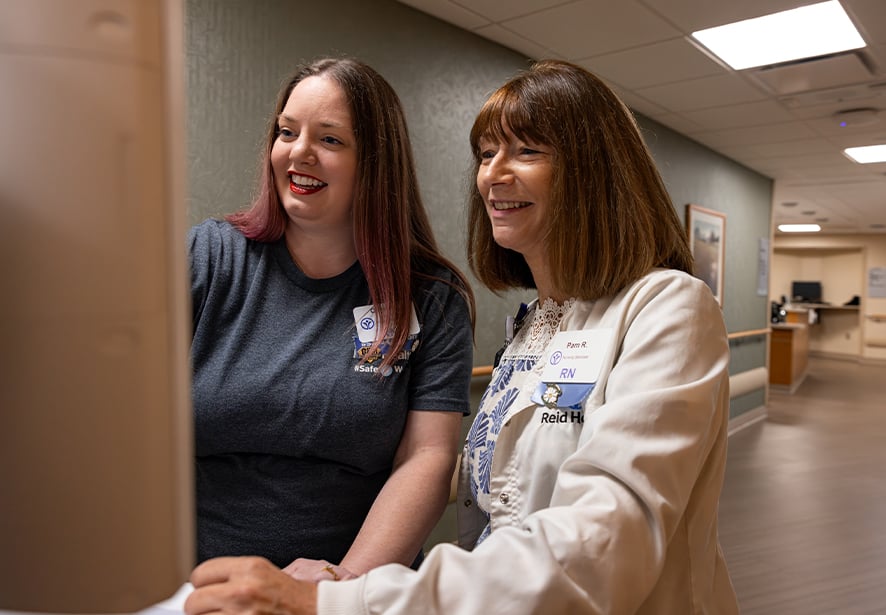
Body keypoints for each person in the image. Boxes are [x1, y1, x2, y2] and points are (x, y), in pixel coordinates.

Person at [185, 59, 739, 614]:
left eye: (526, 150)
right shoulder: (535, 329)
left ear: (593, 171)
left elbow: (606, 541)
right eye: (486, 153)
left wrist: (344, 595)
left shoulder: (668, 307)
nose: (493, 173)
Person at [187, 57, 475, 584]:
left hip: (350, 588)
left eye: (331, 140)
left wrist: (339, 583)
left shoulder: (432, 298)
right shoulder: (209, 257)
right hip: (200, 583)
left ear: (377, 162)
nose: (299, 153)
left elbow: (426, 458)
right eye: (287, 132)